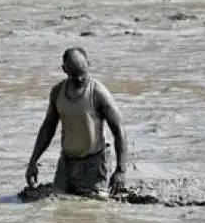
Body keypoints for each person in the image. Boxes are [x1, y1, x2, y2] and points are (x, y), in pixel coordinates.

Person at [25, 48, 128, 198]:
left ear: (88, 64)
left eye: (83, 74)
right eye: (74, 75)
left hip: (94, 163)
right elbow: (47, 128)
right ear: (64, 70)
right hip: (66, 164)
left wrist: (120, 170)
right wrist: (33, 161)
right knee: (60, 209)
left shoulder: (98, 92)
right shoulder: (57, 92)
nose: (80, 79)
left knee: (93, 209)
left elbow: (119, 130)